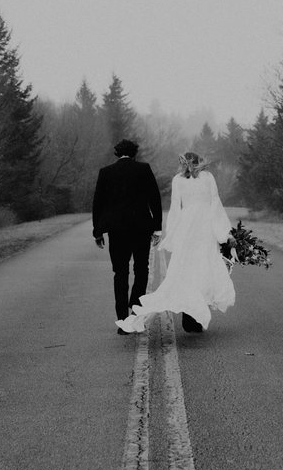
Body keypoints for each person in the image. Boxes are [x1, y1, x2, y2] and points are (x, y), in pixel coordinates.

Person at [116, 152, 235, 334]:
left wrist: (172, 234)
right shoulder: (207, 177)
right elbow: (215, 204)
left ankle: (192, 317)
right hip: (204, 227)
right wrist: (224, 233)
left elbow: (175, 209)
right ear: (198, 162)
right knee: (201, 270)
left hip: (187, 228)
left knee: (185, 271)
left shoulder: (178, 179)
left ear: (183, 164)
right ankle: (192, 318)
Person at [92, 139, 163, 334]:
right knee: (142, 269)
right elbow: (154, 198)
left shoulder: (106, 172)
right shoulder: (143, 169)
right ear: (134, 154)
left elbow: (98, 203)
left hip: (117, 230)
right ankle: (135, 310)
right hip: (141, 228)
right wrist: (157, 227)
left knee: (120, 272)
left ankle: (121, 318)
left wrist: (97, 231)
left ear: (117, 153)